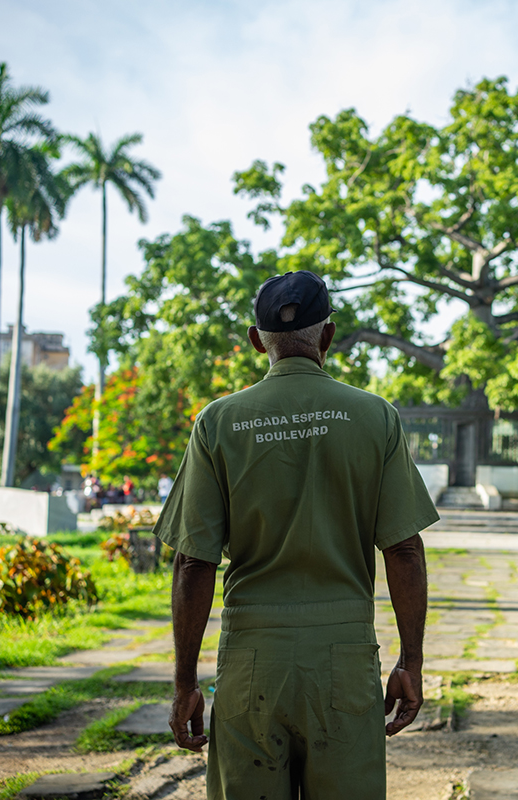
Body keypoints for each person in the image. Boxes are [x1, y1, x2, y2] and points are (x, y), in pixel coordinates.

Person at [154, 270, 438, 800]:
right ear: (327, 336)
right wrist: (411, 663)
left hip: (251, 660)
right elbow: (403, 548)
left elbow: (193, 562)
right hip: (344, 659)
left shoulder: (219, 422)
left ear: (257, 341)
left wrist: (185, 683)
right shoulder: (376, 417)